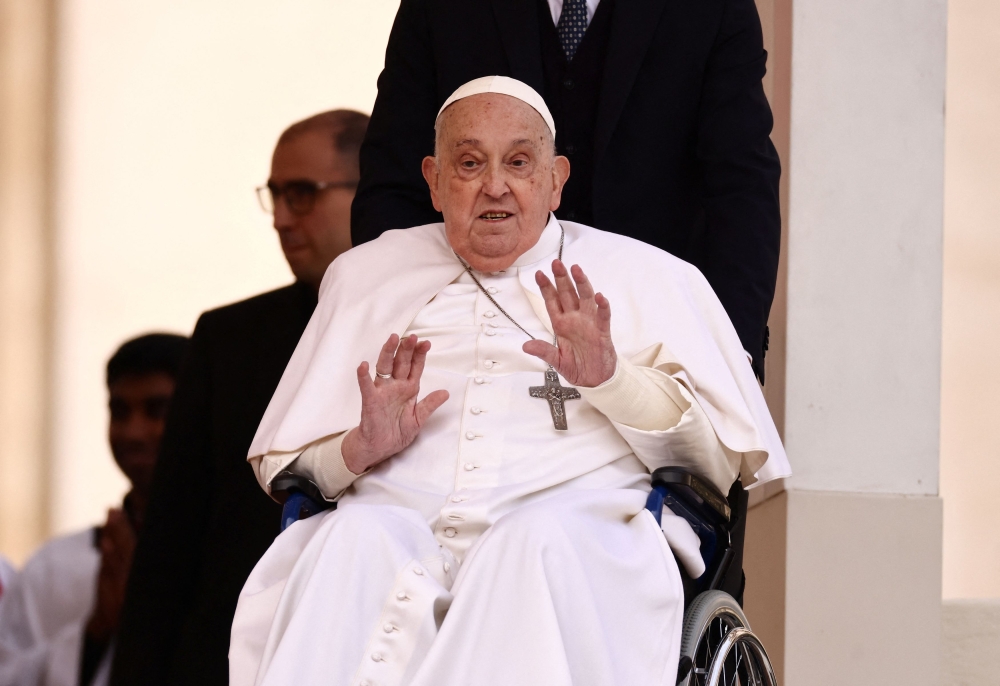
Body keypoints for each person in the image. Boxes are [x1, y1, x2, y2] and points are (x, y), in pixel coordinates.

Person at [230, 77, 788, 686]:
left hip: (572, 540)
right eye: (469, 163)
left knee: (528, 545)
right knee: (352, 539)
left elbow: (713, 462)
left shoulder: (646, 275)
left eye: (519, 162)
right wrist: (356, 449)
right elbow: (289, 471)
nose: (494, 184)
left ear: (556, 180)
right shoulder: (368, 275)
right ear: (434, 180)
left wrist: (612, 379)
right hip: (397, 528)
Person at [352, 0, 782, 382]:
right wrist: (394, 323)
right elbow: (395, 177)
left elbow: (740, 184)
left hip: (652, 339)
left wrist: (729, 356)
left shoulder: (716, 6)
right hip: (466, 339)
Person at [109, 110, 370, 686]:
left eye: (302, 195)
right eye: (274, 196)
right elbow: (171, 544)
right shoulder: (227, 339)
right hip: (229, 652)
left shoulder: (437, 318)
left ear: (370, 187)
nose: (280, 218)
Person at [0, 333, 190, 686]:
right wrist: (95, 632)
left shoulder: (231, 554)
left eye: (157, 410)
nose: (133, 431)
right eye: (120, 411)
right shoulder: (52, 567)